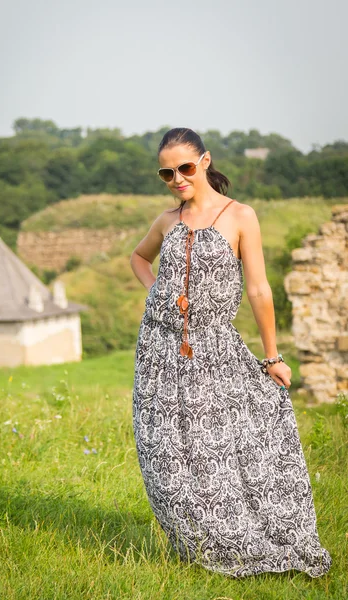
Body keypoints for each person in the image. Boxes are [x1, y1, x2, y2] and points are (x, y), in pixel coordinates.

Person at [129, 127, 332, 578]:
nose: (177, 178)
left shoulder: (240, 216)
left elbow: (259, 289)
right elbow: (139, 259)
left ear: (204, 161)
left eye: (184, 167)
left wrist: (273, 355)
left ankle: (241, 541)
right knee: (164, 453)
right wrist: (155, 293)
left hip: (214, 349)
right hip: (159, 351)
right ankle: (195, 544)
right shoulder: (166, 220)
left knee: (213, 448)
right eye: (167, 172)